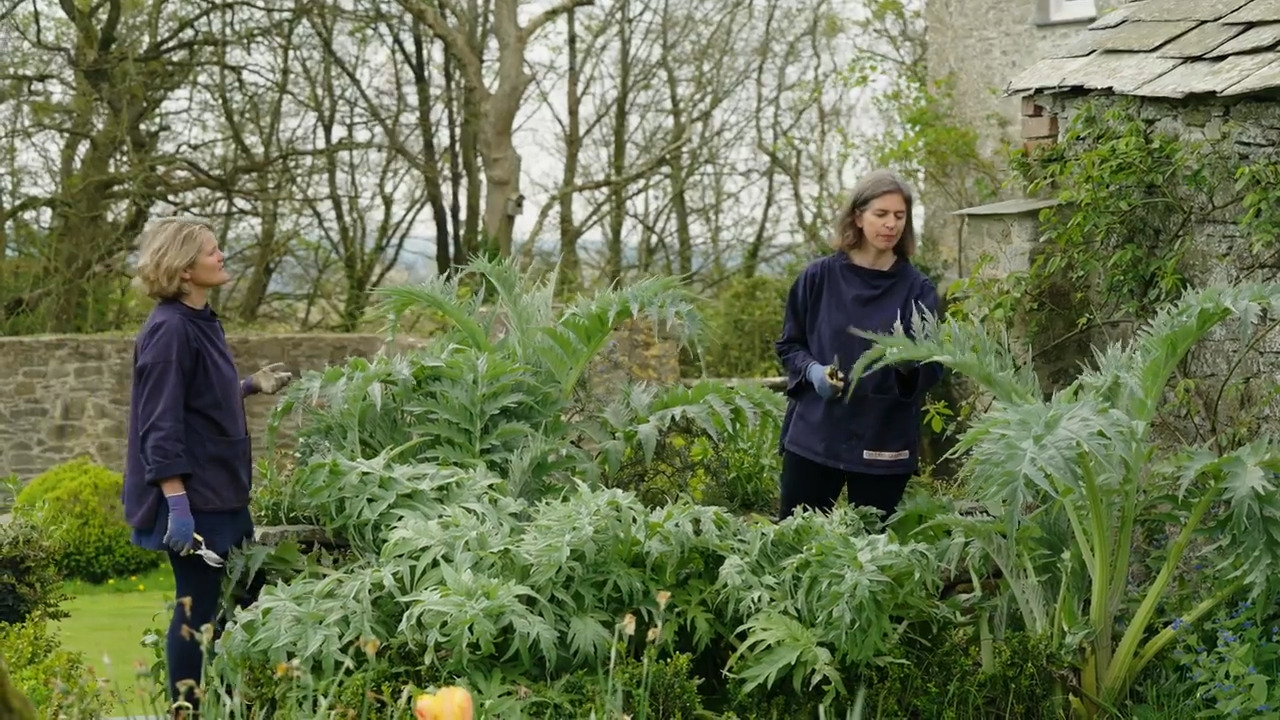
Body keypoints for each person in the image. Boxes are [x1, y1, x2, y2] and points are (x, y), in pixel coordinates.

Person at [120, 216, 294, 716]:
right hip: (196, 502)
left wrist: (248, 386)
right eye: (212, 251)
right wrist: (178, 506)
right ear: (184, 268)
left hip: (224, 493)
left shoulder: (200, 321)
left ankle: (237, 704)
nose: (221, 257)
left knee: (246, 602)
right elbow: (160, 425)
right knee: (196, 608)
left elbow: (198, 400)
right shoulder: (169, 331)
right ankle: (186, 710)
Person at [774, 169, 942, 522]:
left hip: (884, 442)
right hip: (816, 436)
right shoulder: (818, 277)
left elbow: (934, 369)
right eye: (881, 214)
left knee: (870, 549)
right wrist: (813, 371)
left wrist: (908, 368)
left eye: (899, 216)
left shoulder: (918, 290)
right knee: (796, 540)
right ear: (858, 217)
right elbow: (790, 344)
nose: (891, 224)